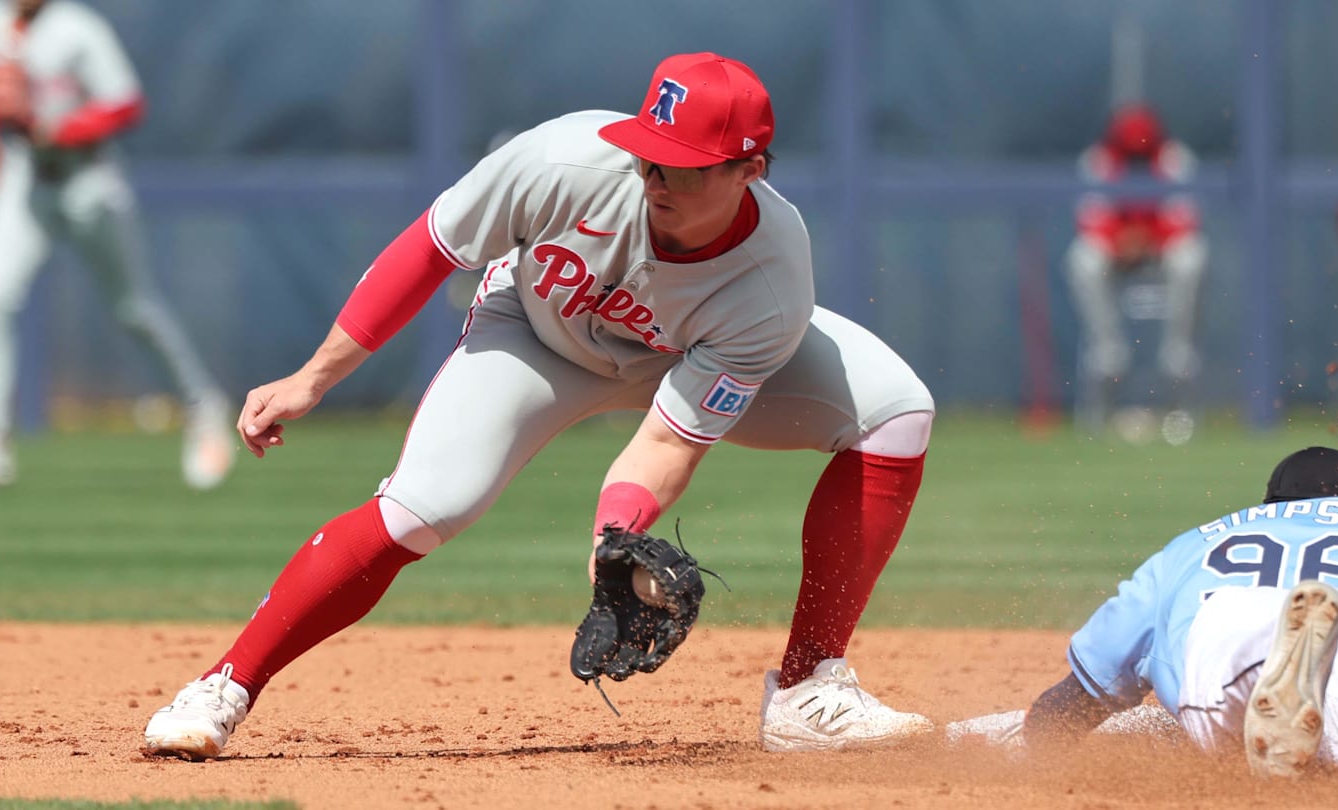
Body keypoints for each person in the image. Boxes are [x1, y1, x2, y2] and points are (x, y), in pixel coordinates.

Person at [142, 51, 937, 759]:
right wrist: (315, 376)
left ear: (749, 169)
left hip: (679, 361)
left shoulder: (770, 284)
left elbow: (668, 442)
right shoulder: (564, 161)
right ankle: (224, 684)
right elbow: (431, 248)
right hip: (535, 335)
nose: (655, 180)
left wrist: (612, 539)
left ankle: (806, 688)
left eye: (684, 167)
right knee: (421, 510)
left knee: (896, 410)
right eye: (650, 157)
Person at [951, 447, 1338, 777]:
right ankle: (1314, 701)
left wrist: (1036, 752)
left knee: (1227, 644)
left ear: (1269, 504)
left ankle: (1269, 688)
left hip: (1230, 634)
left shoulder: (1195, 545)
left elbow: (1083, 693)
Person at [0, 0, 234, 488]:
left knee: (134, 307)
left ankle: (203, 406)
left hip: (88, 179)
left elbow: (125, 103)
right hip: (27, 177)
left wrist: (62, 128)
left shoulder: (78, 29)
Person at [1065, 102, 1206, 444]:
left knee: (1190, 256)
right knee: (1083, 259)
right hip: (1115, 251)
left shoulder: (1175, 159)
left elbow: (1185, 218)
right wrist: (1120, 239)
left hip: (1160, 249)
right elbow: (1090, 218)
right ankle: (1107, 351)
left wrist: (1149, 238)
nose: (1136, 157)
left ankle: (1178, 354)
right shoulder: (1097, 161)